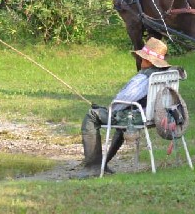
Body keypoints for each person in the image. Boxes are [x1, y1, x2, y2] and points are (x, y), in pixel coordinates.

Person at [74, 37, 184, 179]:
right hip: (157, 115)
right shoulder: (167, 74)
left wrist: (108, 109)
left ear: (148, 60)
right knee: (120, 116)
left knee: (92, 115)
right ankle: (102, 163)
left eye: (142, 57)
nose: (139, 59)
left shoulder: (143, 78)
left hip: (137, 117)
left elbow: (122, 100)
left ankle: (93, 167)